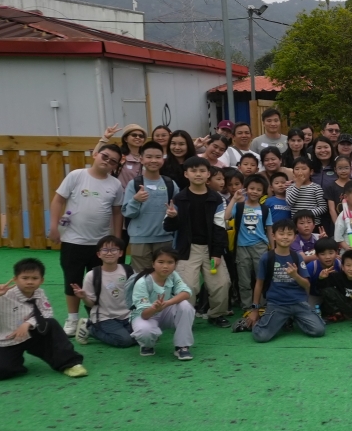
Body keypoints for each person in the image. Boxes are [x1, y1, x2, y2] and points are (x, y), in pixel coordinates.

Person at [49, 143, 124, 339]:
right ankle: (72, 318)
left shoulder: (115, 184)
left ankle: (96, 318)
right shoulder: (76, 175)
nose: (107, 162)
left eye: (113, 161)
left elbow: (117, 212)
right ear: (96, 154)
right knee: (72, 280)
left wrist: (116, 239)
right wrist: (54, 226)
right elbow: (58, 200)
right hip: (73, 240)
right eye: (105, 156)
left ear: (116, 165)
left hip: (100, 244)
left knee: (98, 282)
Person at [164, 156, 232, 328]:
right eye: (193, 171)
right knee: (188, 286)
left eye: (202, 171)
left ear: (208, 174)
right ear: (186, 174)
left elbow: (220, 227)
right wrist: (172, 217)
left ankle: (217, 314)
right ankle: (186, 316)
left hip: (211, 249)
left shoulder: (216, 199)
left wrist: (217, 253)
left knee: (221, 284)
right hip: (187, 249)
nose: (198, 174)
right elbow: (168, 227)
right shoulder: (179, 198)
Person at [0, 257, 87, 380]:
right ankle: (15, 364)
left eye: (34, 278)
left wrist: (28, 323)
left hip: (32, 334)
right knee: (3, 371)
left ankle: (70, 363)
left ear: (42, 280)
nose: (30, 282)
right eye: (25, 278)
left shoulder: (39, 292)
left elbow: (47, 312)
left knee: (51, 323)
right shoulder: (3, 295)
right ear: (15, 279)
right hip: (7, 340)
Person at [238, 219, 326, 342]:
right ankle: (268, 320)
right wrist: (255, 310)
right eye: (281, 233)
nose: (285, 237)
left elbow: (307, 285)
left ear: (294, 237)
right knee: (260, 336)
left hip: (299, 303)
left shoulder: (297, 257)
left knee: (319, 330)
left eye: (289, 234)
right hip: (277, 304)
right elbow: (259, 284)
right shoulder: (267, 258)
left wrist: (295, 275)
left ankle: (290, 319)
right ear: (273, 236)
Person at [128, 246, 196, 360]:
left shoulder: (173, 275)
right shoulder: (143, 282)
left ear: (175, 264)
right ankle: (147, 345)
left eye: (170, 262)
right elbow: (144, 315)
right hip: (146, 315)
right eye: (161, 262)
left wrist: (167, 303)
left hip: (165, 310)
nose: (165, 266)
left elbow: (186, 293)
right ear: (153, 264)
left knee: (185, 306)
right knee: (145, 332)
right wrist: (155, 308)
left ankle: (182, 346)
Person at [122, 141, 177, 273]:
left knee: (164, 275)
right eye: (149, 157)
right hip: (140, 240)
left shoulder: (170, 183)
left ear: (163, 159)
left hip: (165, 238)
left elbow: (178, 209)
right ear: (141, 159)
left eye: (158, 157)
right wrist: (136, 200)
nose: (153, 160)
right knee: (142, 277)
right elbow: (128, 213)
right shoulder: (134, 184)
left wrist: (175, 213)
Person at [73, 235, 135, 347]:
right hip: (104, 317)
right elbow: (91, 304)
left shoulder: (128, 271)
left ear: (120, 253)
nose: (109, 253)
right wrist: (84, 297)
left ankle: (122, 331)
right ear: (99, 254)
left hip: (128, 315)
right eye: (105, 250)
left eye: (114, 249)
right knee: (125, 341)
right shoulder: (92, 275)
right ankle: (90, 327)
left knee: (145, 335)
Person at [231, 174, 273, 313]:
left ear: (263, 192)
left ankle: (262, 305)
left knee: (261, 277)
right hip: (242, 247)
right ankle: (247, 306)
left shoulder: (265, 209)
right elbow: (226, 216)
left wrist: (272, 249)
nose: (255, 192)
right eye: (252, 188)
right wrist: (234, 199)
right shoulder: (239, 206)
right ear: (246, 189)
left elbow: (269, 230)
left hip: (260, 247)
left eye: (259, 189)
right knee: (244, 279)